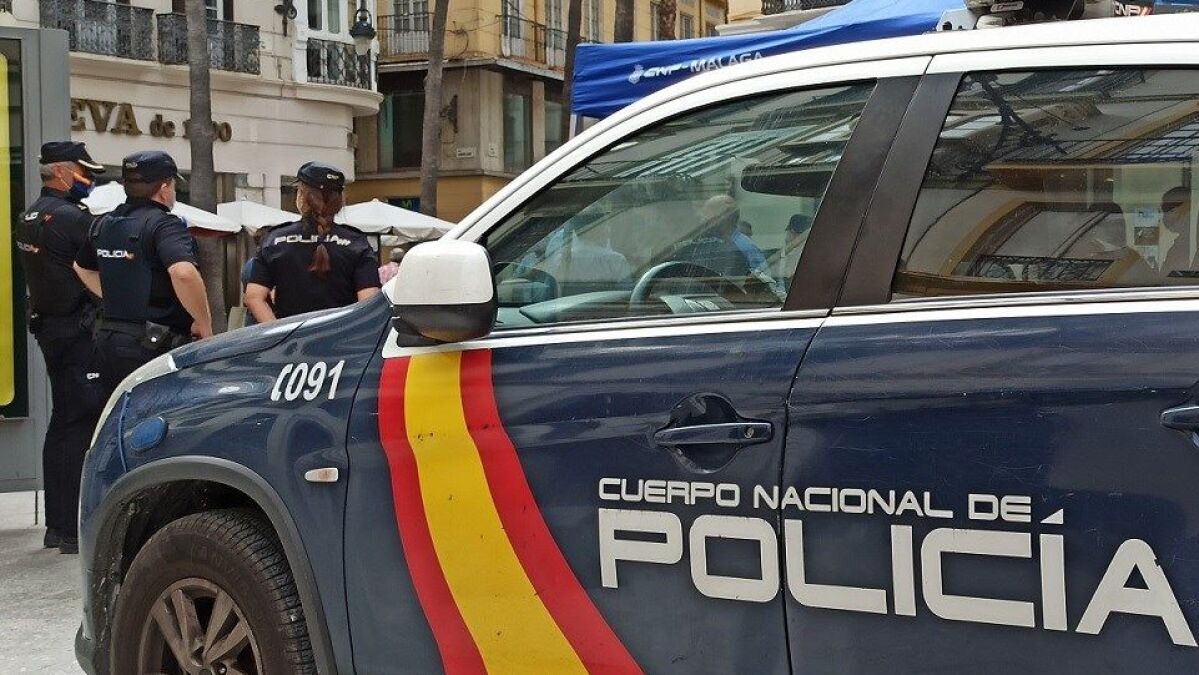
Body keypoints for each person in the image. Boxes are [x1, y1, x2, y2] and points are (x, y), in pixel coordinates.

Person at [14, 141, 106, 554]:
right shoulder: (72, 218)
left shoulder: (30, 215)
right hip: (77, 330)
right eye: (85, 173)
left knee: (64, 421)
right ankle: (71, 529)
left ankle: (58, 524)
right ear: (64, 173)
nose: (90, 180)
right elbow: (100, 265)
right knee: (81, 421)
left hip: (51, 328)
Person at [74, 150, 213, 393]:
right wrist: (204, 323)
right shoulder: (164, 224)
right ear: (164, 188)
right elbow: (183, 273)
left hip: (108, 340)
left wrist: (118, 298)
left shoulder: (103, 223)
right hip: (154, 345)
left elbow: (81, 267)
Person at [244, 162, 381, 322]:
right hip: (341, 335)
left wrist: (280, 333)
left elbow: (254, 298)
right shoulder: (356, 243)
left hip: (291, 334)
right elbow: (368, 303)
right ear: (340, 201)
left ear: (301, 195)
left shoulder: (275, 240)